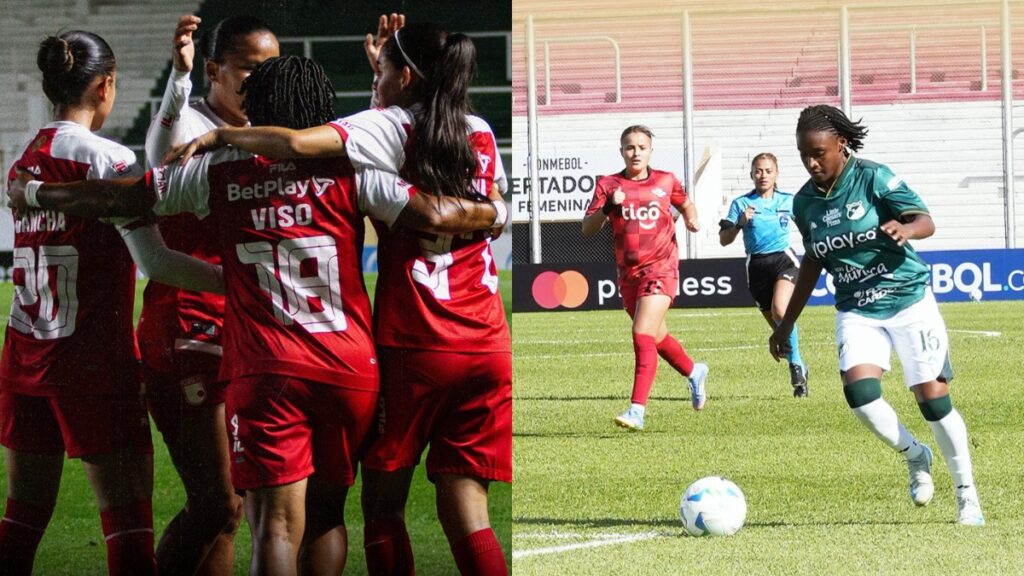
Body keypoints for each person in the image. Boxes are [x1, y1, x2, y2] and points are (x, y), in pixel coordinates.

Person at [9, 54, 507, 575]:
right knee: (325, 519)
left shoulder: (220, 169)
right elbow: (429, 212)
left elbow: (122, 199)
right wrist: (496, 210)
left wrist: (38, 192)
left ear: (254, 113)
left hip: (266, 367)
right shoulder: (352, 167)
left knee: (275, 525)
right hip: (350, 369)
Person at [166, 20, 512, 575]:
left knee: (377, 513)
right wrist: (497, 213)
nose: (373, 82)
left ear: (404, 76)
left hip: (412, 341)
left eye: (380, 72)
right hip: (486, 340)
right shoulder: (478, 130)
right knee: (469, 511)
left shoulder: (385, 126)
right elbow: (473, 202)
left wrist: (222, 135)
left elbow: (300, 141)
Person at [769, 104, 984, 526]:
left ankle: (966, 494)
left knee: (932, 399)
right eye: (804, 156)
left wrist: (906, 229)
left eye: (819, 153)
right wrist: (786, 324)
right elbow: (812, 261)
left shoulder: (873, 177)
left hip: (908, 299)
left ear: (841, 145)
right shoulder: (804, 203)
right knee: (861, 395)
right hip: (856, 306)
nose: (812, 163)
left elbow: (925, 220)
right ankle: (915, 454)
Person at [0, 30, 163, 576]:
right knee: (129, 525)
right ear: (105, 86)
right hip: (93, 362)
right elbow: (154, 255)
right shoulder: (109, 159)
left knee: (22, 519)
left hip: (26, 358)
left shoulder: (24, 162)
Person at [142, 14, 279, 575]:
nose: (261, 82)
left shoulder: (272, 132)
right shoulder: (191, 126)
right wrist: (177, 79)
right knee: (217, 501)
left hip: (244, 331)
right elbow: (157, 152)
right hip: (187, 325)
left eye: (272, 70)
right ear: (215, 70)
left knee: (233, 505)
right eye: (250, 69)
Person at [581, 125, 708, 431]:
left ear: (651, 150)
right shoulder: (608, 184)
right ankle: (694, 372)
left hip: (661, 268)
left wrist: (691, 216)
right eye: (629, 147)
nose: (635, 152)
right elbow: (587, 228)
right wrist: (610, 205)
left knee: (641, 333)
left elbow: (685, 202)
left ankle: (637, 410)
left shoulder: (666, 180)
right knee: (657, 337)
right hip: (629, 275)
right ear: (621, 151)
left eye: (641, 147)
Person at [719, 153, 809, 397]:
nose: (763, 175)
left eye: (768, 171)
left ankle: (796, 366)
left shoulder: (788, 201)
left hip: (783, 260)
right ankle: (799, 365)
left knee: (781, 311)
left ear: (776, 174)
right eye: (758, 171)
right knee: (779, 332)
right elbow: (724, 240)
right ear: (751, 174)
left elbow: (807, 228)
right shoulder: (741, 204)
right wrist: (739, 224)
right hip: (756, 268)